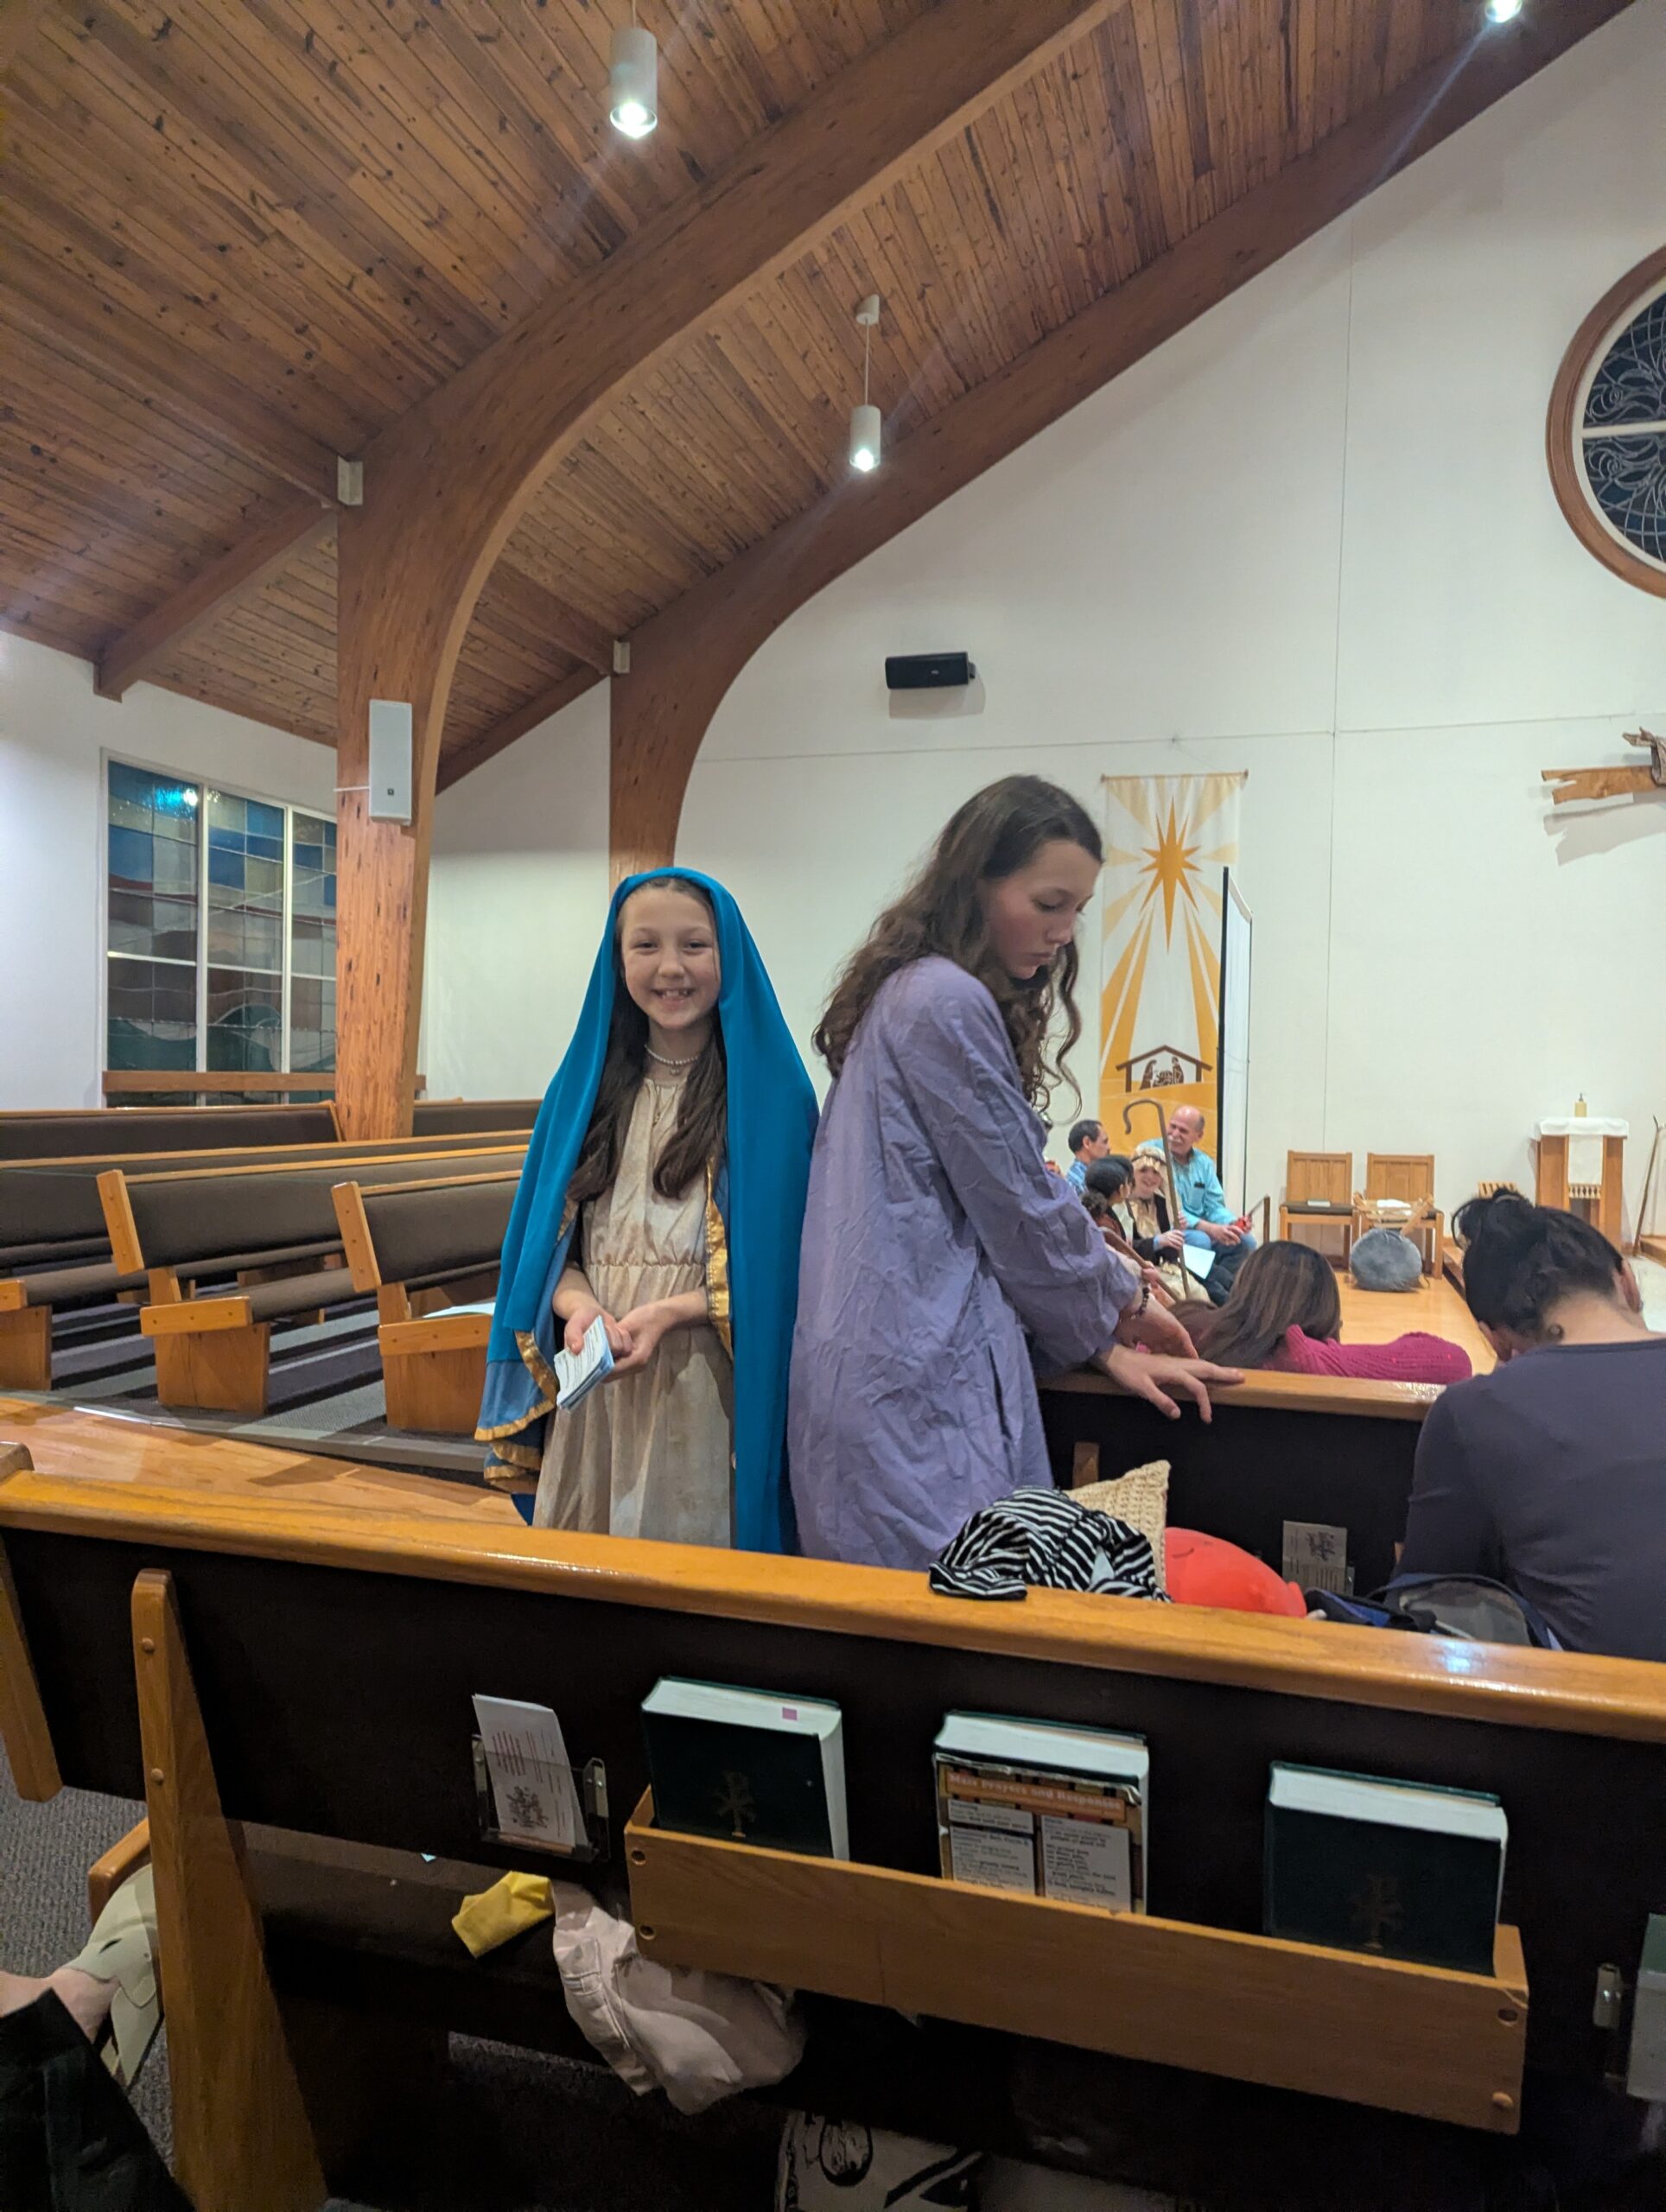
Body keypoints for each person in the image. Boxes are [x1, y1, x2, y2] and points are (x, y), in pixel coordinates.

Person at [788, 775, 1239, 1571]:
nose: (1063, 932)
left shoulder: (908, 990)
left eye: (1077, 910)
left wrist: (1104, 1335)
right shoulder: (943, 1000)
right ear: (975, 884)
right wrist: (1124, 1302)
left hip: (879, 1357)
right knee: (956, 1608)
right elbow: (1022, 1206)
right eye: (1048, 903)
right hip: (915, 1376)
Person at [477, 870, 817, 1554]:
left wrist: (671, 1313)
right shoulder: (583, 1091)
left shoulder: (771, 1094)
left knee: (690, 1560)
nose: (670, 968)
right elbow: (548, 1253)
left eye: (694, 945)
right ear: (618, 959)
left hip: (709, 1381)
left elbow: (789, 1270)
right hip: (600, 1382)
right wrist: (579, 1308)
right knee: (593, 1568)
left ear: (728, 954)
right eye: (646, 946)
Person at [1396, 1192, 1666, 1659]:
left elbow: (1423, 1602)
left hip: (1592, 1701)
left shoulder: (1475, 1411)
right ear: (1626, 1279)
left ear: (1494, 1338)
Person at [1188, 1241, 1472, 1382]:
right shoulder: (1306, 1359)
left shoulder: (1190, 1332)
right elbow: (1454, 1362)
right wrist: (1319, 1351)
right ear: (1323, 1305)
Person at [1140, 1105, 1256, 1255]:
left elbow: (1214, 1206)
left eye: (1183, 1131)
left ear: (1199, 1136)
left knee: (1245, 1241)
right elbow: (1169, 1210)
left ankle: (1223, 1272)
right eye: (1172, 1126)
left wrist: (1232, 1223)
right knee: (1200, 1240)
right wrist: (1210, 1228)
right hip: (1164, 1229)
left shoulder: (1204, 1163)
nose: (1175, 1134)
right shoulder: (1149, 1154)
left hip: (1200, 1229)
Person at [1108, 1151, 1190, 1304]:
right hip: (1138, 1272)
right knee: (1176, 1297)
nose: (1150, 1177)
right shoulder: (1121, 1205)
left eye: (1156, 1172)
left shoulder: (1162, 1203)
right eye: (1143, 1170)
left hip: (1164, 1268)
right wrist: (1157, 1241)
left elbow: (1170, 1254)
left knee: (1196, 1291)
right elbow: (1124, 1248)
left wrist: (1177, 1232)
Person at [1065, 1117, 1109, 1191]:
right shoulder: (1077, 1183)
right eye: (1105, 1142)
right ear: (1087, 1143)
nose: (1109, 1147)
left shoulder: (1090, 1178)